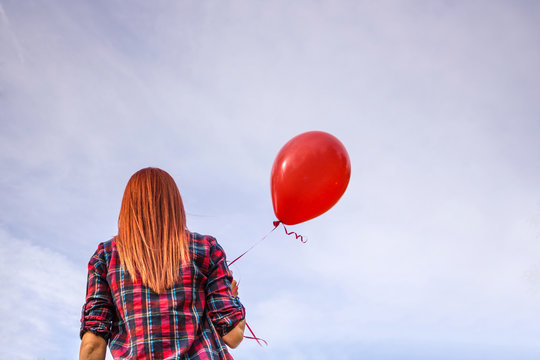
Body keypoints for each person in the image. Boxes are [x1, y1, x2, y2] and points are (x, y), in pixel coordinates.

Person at [79, 168, 246, 360]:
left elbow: (92, 344)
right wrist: (231, 299)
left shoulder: (106, 257)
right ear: (174, 205)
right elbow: (233, 336)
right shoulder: (205, 249)